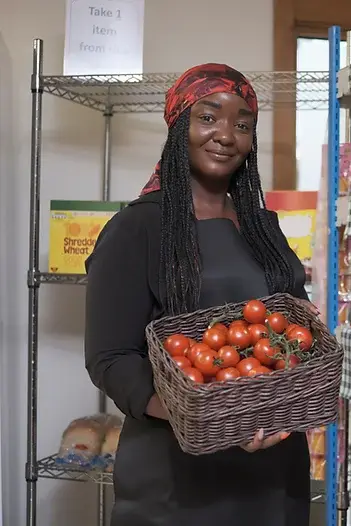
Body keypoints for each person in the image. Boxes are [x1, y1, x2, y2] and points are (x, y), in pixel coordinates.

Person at [84, 64, 312, 526]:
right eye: (208, 118)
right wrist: (202, 414)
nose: (226, 135)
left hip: (273, 468)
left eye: (243, 125)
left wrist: (306, 326)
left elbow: (292, 321)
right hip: (178, 482)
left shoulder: (263, 226)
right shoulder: (137, 229)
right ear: (178, 126)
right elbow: (109, 358)